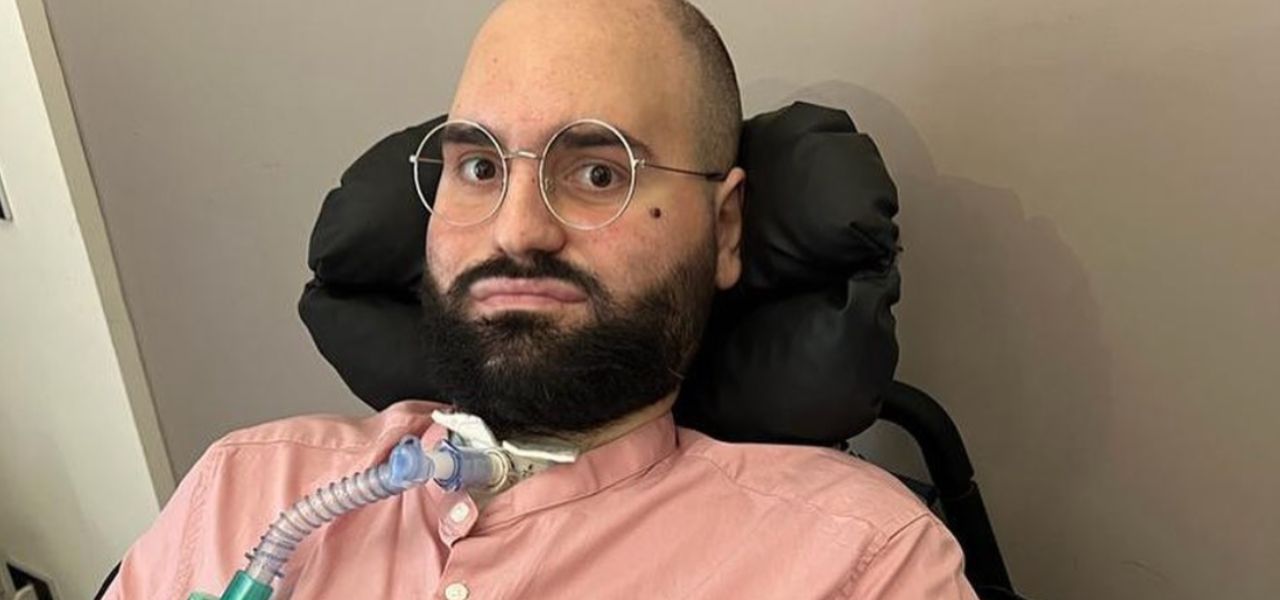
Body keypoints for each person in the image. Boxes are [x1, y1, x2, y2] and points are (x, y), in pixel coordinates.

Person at [105, 1, 978, 598]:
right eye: (480, 167)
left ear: (723, 229)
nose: (517, 231)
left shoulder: (858, 565)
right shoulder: (244, 488)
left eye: (598, 172)